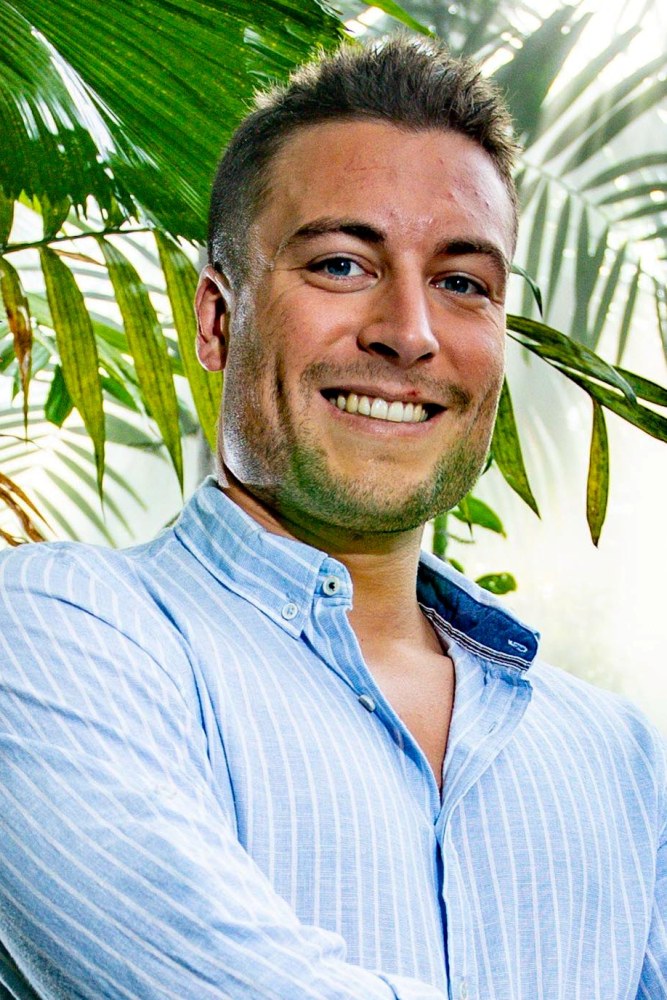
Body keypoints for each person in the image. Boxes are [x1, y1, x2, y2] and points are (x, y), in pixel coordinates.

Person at [0, 35, 665, 1000]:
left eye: (462, 283)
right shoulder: (56, 634)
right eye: (343, 264)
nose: (409, 333)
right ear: (217, 318)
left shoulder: (618, 758)